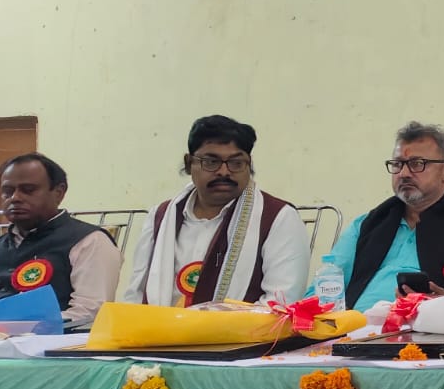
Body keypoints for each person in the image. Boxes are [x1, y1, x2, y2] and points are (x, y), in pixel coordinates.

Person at [325, 122, 444, 311]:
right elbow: (325, 286)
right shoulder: (366, 224)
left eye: (417, 164)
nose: (404, 173)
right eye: (397, 164)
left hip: (434, 327)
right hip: (355, 325)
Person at [125, 116, 309, 307]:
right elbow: (135, 295)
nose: (224, 172)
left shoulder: (278, 217)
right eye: (211, 161)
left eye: (236, 163)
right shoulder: (160, 217)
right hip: (159, 325)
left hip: (239, 327)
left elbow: (281, 303)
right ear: (189, 163)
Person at [0, 153, 121, 321]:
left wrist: (19, 326)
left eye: (28, 190)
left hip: (54, 337)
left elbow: (90, 312)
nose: (15, 198)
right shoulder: (1, 245)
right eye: (7, 192)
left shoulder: (90, 241)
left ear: (58, 192)